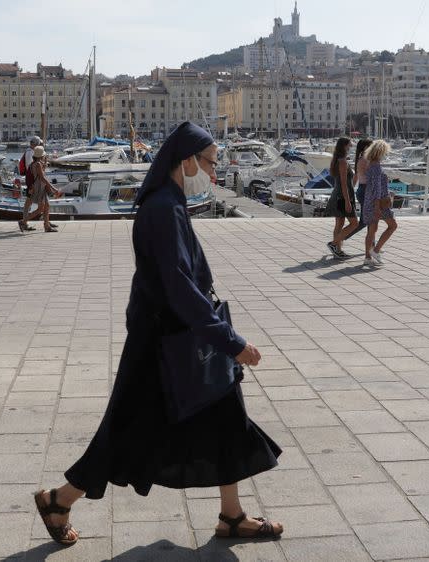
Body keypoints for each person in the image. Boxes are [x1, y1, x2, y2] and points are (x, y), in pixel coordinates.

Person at [33, 122, 283, 547]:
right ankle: (59, 499)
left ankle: (232, 515)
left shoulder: (168, 200)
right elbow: (179, 287)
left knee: (226, 415)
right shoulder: (163, 207)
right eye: (210, 163)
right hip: (164, 342)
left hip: (180, 336)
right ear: (186, 160)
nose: (214, 173)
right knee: (128, 431)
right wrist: (232, 342)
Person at [363, 140, 397, 266]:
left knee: (372, 230)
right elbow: (377, 188)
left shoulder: (370, 165)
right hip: (379, 203)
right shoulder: (376, 167)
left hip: (369, 201)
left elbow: (372, 186)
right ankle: (376, 250)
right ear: (381, 152)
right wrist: (377, 207)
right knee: (393, 226)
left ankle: (367, 257)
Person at [326, 138, 358, 259]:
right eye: (350, 144)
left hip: (338, 194)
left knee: (339, 223)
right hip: (343, 196)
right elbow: (344, 183)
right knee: (354, 223)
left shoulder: (337, 160)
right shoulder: (343, 162)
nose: (351, 146)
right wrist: (348, 201)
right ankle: (334, 244)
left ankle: (338, 251)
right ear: (345, 146)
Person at [344, 138, 374, 242]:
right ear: (366, 147)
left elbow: (356, 177)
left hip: (363, 189)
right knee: (364, 222)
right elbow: (370, 177)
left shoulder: (361, 159)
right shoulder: (365, 160)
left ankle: (372, 245)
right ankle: (339, 239)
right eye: (371, 145)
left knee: (370, 220)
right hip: (366, 190)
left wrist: (351, 190)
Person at [26, 145, 60, 232]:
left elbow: (41, 175)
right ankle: (23, 221)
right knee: (40, 209)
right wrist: (53, 188)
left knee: (47, 206)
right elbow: (42, 178)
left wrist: (44, 162)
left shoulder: (35, 164)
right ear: (41, 156)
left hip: (41, 187)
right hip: (40, 187)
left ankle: (47, 225)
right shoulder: (38, 164)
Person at [18, 136, 42, 232]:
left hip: (32, 180)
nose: (40, 145)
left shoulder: (31, 152)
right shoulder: (30, 153)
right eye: (39, 144)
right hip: (32, 180)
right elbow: (30, 167)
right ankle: (24, 222)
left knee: (29, 202)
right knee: (29, 202)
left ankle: (46, 221)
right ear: (35, 144)